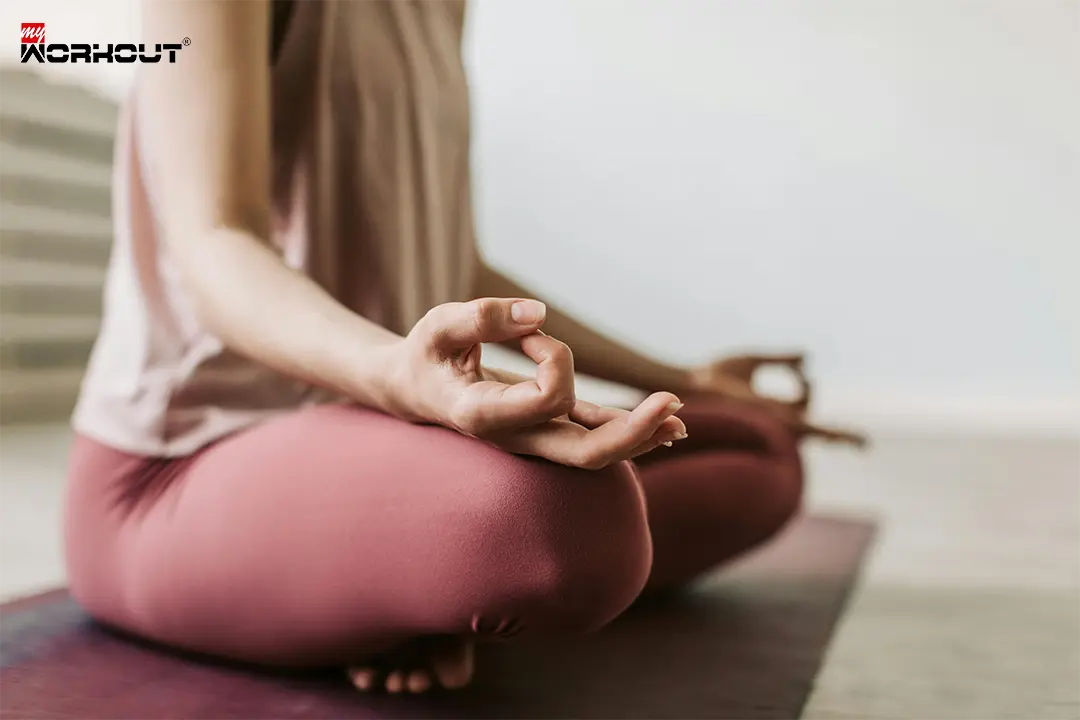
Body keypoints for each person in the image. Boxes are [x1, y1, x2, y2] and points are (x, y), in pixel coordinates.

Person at [64, 0, 863, 695]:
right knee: (568, 522)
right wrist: (401, 379)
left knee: (758, 452)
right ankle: (425, 562)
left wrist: (685, 380)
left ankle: (411, 567)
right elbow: (215, 242)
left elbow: (454, 262)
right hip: (182, 467)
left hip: (371, 433)